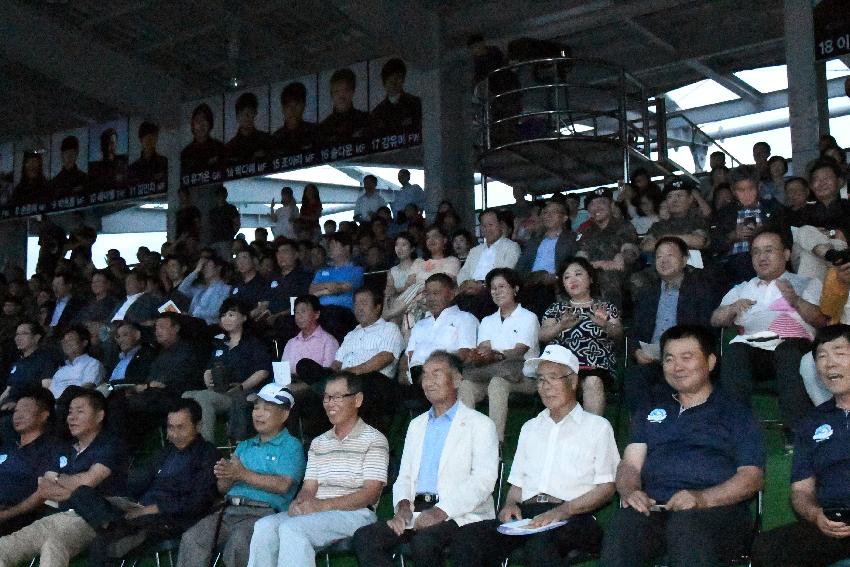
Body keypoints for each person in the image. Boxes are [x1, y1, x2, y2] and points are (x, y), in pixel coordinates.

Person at [600, 325, 765, 567]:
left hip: (718, 511)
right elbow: (630, 465)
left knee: (686, 525)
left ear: (710, 362)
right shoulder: (650, 408)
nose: (677, 367)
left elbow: (752, 478)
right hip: (657, 508)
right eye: (669, 359)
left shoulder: (736, 412)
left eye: (687, 358)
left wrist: (701, 499)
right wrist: (630, 491)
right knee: (625, 524)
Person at [453, 345, 620, 566]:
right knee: (468, 537)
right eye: (540, 380)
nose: (546, 387)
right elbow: (517, 485)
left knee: (538, 546)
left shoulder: (598, 427)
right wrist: (511, 504)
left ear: (573, 382)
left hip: (575, 516)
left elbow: (607, 488)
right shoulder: (530, 427)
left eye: (553, 378)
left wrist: (562, 511)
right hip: (528, 515)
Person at [353, 351, 498, 566]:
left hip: (459, 514)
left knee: (424, 542)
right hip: (415, 514)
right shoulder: (416, 425)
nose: (428, 381)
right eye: (425, 375)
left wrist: (440, 512)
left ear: (457, 379)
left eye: (436, 374)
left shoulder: (480, 424)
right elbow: (405, 476)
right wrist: (402, 507)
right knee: (365, 538)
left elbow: (483, 481)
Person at [247, 372, 388, 567]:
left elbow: (370, 494)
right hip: (319, 512)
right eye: (327, 397)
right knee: (264, 526)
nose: (330, 403)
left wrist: (320, 506)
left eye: (338, 397)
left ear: (357, 400)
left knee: (292, 529)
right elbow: (309, 487)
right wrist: (300, 502)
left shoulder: (375, 439)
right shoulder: (319, 443)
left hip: (357, 514)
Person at [711, 228, 827, 439]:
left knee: (788, 352)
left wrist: (796, 301)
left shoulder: (807, 283)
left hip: (795, 346)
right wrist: (730, 309)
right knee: (735, 350)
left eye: (768, 250)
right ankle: (737, 431)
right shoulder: (743, 288)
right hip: (755, 350)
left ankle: (796, 431)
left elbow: (821, 320)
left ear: (786, 254)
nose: (761, 257)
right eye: (756, 252)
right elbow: (715, 319)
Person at [73, 399, 217, 567]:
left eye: (181, 427)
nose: (175, 434)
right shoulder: (166, 452)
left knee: (103, 542)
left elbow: (198, 501)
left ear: (198, 426)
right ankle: (115, 524)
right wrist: (122, 501)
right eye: (171, 427)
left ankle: (118, 527)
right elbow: (136, 483)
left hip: (168, 517)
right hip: (138, 508)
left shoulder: (208, 455)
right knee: (81, 492)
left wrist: (152, 509)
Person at [752, 324, 850, 566]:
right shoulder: (812, 422)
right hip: (835, 521)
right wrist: (816, 515)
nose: (830, 364)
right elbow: (801, 491)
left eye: (840, 353)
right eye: (822, 356)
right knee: (768, 548)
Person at [178, 385, 304, 567]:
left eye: (266, 409)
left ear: (284, 415)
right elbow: (222, 488)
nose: (258, 414)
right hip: (229, 510)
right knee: (193, 537)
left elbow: (283, 485)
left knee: (239, 543)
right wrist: (226, 475)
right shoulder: (244, 445)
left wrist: (241, 474)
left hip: (264, 514)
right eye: (256, 408)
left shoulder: (291, 446)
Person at [0, 390, 128, 567]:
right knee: (3, 547)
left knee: (54, 544)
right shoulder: (66, 449)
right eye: (69, 412)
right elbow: (45, 488)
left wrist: (59, 478)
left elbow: (88, 482)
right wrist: (75, 488)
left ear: (99, 416)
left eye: (80, 411)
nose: (71, 417)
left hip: (90, 518)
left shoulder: (110, 445)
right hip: (58, 516)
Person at [624, 237, 718, 412]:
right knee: (636, 377)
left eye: (670, 255)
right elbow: (635, 330)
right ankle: (643, 432)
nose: (663, 260)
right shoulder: (647, 293)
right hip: (652, 359)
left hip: (685, 358)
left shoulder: (700, 289)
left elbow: (705, 330)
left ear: (684, 260)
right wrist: (637, 350)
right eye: (659, 256)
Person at [297, 288, 403, 434]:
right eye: (356, 304)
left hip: (373, 382)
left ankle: (325, 389)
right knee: (304, 365)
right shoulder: (351, 334)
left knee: (369, 380)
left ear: (378, 306)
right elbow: (337, 363)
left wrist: (350, 372)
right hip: (343, 380)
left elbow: (384, 358)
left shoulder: (389, 328)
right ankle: (327, 388)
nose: (358, 308)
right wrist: (333, 375)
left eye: (364, 303)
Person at [458, 268, 539, 442]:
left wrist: (494, 353)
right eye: (493, 288)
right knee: (465, 386)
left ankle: (495, 443)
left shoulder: (528, 317)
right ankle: (465, 440)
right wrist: (478, 355)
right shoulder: (487, 320)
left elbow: (518, 351)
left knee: (497, 383)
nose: (497, 292)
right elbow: (483, 349)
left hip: (524, 378)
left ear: (515, 289)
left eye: (502, 286)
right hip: (489, 374)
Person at [539, 257, 622, 415]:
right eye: (567, 277)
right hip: (563, 365)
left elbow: (618, 333)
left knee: (593, 381)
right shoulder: (557, 309)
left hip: (597, 365)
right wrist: (560, 326)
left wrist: (604, 324)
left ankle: (592, 436)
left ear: (590, 278)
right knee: (557, 380)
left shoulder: (605, 307)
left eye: (578, 274)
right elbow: (542, 335)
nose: (572, 280)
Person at [183, 298, 273, 442]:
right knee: (186, 395)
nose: (226, 319)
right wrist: (208, 379)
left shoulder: (253, 343)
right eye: (223, 315)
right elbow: (209, 369)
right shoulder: (220, 344)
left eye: (231, 315)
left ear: (244, 317)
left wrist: (242, 386)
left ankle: (206, 446)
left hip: (239, 394)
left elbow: (263, 371)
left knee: (203, 398)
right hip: (218, 391)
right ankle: (186, 444)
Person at [0, 388, 64, 536]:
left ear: (44, 415)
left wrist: (9, 513)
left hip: (16, 515)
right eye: (16, 411)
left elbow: (44, 491)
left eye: (25, 410)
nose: (18, 415)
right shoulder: (8, 448)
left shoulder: (52, 449)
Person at [402, 273, 478, 397]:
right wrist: (403, 373)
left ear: (452, 294)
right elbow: (408, 356)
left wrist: (430, 373)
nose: (431, 299)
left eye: (436, 293)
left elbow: (465, 354)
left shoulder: (465, 319)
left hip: (443, 378)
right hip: (415, 378)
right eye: (428, 294)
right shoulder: (420, 324)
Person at [711, 164, 783, 286]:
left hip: (767, 256)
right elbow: (714, 245)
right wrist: (732, 236)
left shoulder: (772, 207)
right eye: (741, 190)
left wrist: (762, 233)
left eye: (751, 189)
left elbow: (785, 236)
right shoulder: (725, 213)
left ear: (758, 187)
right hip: (734, 262)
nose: (747, 194)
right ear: (733, 191)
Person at [576, 189, 639, 307]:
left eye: (601, 202)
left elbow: (629, 252)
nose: (596, 207)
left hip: (619, 276)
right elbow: (581, 259)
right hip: (592, 271)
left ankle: (612, 320)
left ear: (612, 205)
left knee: (608, 275)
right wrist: (600, 263)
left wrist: (622, 256)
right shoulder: (586, 232)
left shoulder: (624, 226)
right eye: (592, 204)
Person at [515, 200, 579, 316]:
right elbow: (520, 267)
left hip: (554, 281)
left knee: (542, 294)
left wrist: (557, 276)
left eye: (554, 212)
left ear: (564, 218)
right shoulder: (533, 241)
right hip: (531, 280)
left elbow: (575, 264)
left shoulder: (572, 239)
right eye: (545, 213)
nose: (548, 216)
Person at [456, 209, 521, 318]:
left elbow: (506, 272)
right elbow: (463, 272)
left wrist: (482, 286)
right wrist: (466, 285)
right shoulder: (475, 250)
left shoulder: (511, 247)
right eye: (483, 226)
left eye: (490, 224)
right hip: (469, 289)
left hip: (491, 291)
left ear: (500, 225)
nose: (487, 229)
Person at [0, 322, 58, 422]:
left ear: (36, 338)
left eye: (24, 333)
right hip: (7, 406)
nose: (18, 338)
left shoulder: (45, 359)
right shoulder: (16, 363)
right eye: (17, 334)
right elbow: (7, 391)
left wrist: (19, 404)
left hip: (26, 408)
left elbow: (45, 390)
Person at [641, 178, 710, 253]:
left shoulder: (698, 221)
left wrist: (664, 239)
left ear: (690, 199)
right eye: (670, 196)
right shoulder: (658, 226)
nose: (675, 200)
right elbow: (646, 246)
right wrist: (684, 239)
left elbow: (699, 241)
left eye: (679, 195)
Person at [280, 295, 339, 383]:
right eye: (296, 312)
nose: (299, 316)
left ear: (316, 314)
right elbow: (282, 373)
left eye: (303, 311)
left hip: (314, 389)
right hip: (289, 385)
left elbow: (328, 376)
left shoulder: (329, 341)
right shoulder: (291, 343)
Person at [47, 325, 105, 402]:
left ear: (84, 343)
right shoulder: (60, 371)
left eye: (70, 339)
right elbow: (50, 395)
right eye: (64, 341)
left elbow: (87, 389)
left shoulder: (92, 363)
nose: (66, 343)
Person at [309, 232, 363, 311]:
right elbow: (311, 291)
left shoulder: (356, 270)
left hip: (343, 311)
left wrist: (320, 290)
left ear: (346, 248)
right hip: (321, 311)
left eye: (334, 244)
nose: (330, 247)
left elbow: (339, 289)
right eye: (330, 245)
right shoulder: (322, 271)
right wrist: (330, 286)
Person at [370, 58, 422, 137]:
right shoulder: (377, 113)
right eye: (390, 79)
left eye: (398, 77)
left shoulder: (415, 103)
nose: (394, 82)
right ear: (384, 82)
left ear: (403, 79)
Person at [319, 68, 370, 144]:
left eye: (346, 90)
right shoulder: (323, 128)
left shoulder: (366, 119)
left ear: (352, 92)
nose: (341, 96)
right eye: (337, 91)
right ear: (331, 95)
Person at [178, 256, 232, 325]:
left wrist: (192, 316)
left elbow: (215, 312)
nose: (205, 269)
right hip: (194, 325)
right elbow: (182, 288)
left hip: (210, 327)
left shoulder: (225, 288)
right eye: (203, 267)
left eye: (208, 266)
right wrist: (196, 270)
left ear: (218, 268)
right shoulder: (200, 289)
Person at [225, 92, 274, 165]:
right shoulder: (230, 148)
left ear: (255, 113)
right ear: (237, 116)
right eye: (243, 113)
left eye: (250, 112)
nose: (246, 116)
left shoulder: (266, 140)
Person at [272, 81, 318, 155]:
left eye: (296, 105)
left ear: (303, 106)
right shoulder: (275, 139)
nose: (292, 110)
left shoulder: (315, 132)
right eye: (288, 106)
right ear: (283, 109)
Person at [180, 103, 226, 174]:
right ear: (193, 124)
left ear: (210, 124)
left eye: (204, 120)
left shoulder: (219, 148)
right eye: (198, 120)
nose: (201, 125)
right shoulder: (186, 153)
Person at [127, 121, 168, 186]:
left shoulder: (164, 162)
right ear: (141, 140)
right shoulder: (133, 168)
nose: (151, 142)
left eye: (153, 138)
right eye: (148, 139)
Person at [231, 247, 268, 312]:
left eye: (244, 258)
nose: (241, 262)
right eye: (238, 259)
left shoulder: (263, 283)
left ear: (254, 261)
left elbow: (262, 307)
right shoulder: (236, 285)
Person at [208, 186, 240, 260]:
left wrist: (231, 234)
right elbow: (211, 226)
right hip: (214, 240)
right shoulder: (213, 211)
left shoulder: (231, 208)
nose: (220, 197)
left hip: (226, 240)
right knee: (214, 261)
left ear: (225, 195)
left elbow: (237, 223)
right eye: (218, 195)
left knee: (226, 261)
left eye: (221, 195)